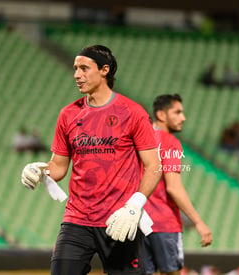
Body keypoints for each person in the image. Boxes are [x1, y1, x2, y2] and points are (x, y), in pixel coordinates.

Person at [21, 44, 162, 275]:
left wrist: (135, 206)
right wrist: (39, 170)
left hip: (120, 220)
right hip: (77, 220)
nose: (77, 74)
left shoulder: (133, 112)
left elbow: (154, 165)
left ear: (104, 70)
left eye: (84, 68)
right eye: (76, 68)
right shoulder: (68, 114)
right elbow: (58, 166)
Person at [143, 94, 212, 275]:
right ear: (162, 115)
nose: (183, 117)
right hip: (164, 224)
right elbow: (173, 187)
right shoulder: (170, 142)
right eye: (178, 112)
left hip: (139, 224)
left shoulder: (140, 140)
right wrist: (199, 223)